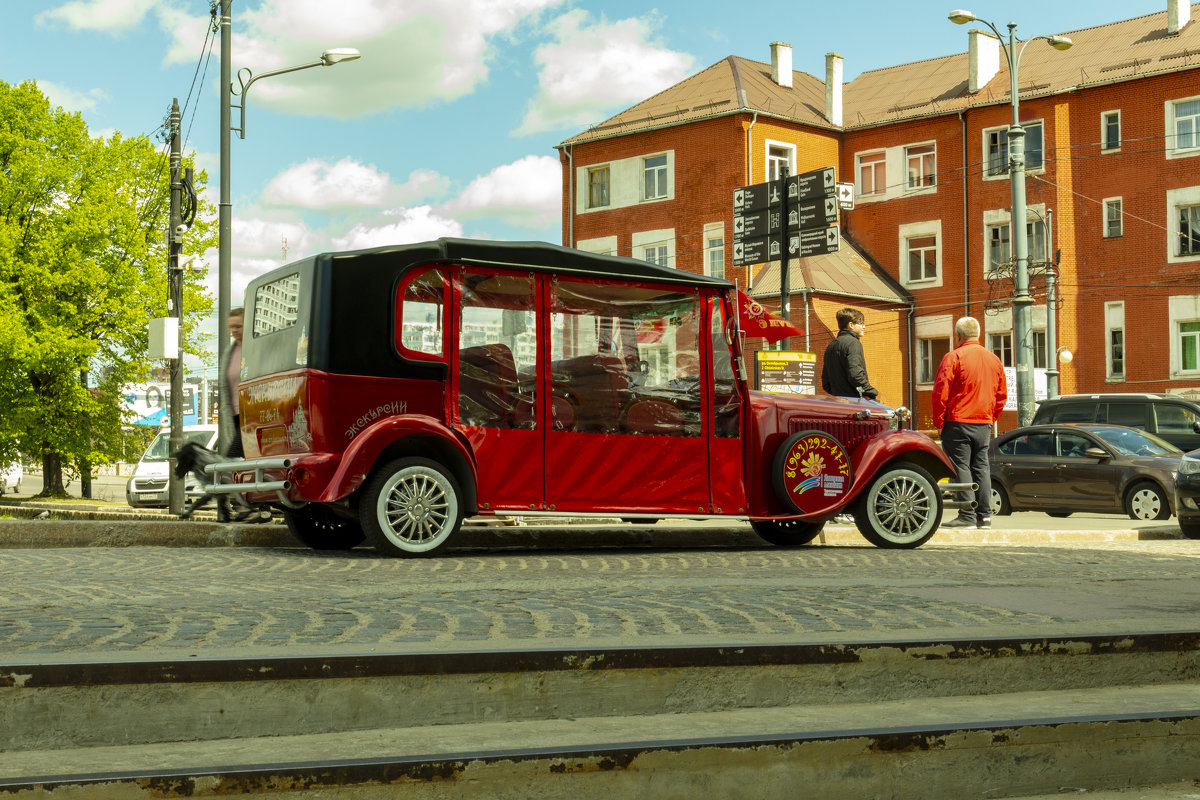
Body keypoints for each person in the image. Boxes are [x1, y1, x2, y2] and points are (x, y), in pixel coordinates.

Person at [933, 316, 1007, 530]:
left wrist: (939, 420)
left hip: (958, 421)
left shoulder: (953, 357)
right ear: (979, 334)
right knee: (981, 467)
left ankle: (966, 514)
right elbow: (1002, 394)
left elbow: (940, 391)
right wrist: (991, 418)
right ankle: (985, 517)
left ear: (958, 335)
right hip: (983, 422)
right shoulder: (994, 359)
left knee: (961, 466)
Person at [821, 307, 879, 401]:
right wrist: (873, 392)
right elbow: (856, 375)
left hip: (838, 404)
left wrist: (840, 394)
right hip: (855, 404)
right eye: (861, 323)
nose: (864, 327)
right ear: (851, 325)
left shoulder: (831, 346)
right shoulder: (853, 343)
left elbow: (826, 383)